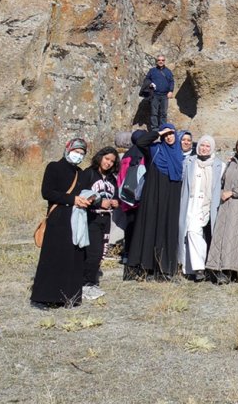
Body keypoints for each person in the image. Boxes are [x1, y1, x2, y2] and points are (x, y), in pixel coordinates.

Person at [30, 138, 91, 307]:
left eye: (81, 153)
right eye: (76, 152)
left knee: (72, 257)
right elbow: (47, 192)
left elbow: (83, 193)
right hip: (58, 218)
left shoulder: (81, 172)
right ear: (68, 149)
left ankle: (68, 297)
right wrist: (72, 199)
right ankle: (42, 298)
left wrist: (88, 199)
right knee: (52, 257)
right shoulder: (54, 167)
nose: (78, 156)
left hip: (76, 218)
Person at [127, 124, 186, 279]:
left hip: (172, 197)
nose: (169, 137)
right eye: (166, 135)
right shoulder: (155, 149)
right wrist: (158, 133)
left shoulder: (180, 154)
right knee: (151, 228)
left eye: (171, 133)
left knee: (167, 229)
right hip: (153, 196)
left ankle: (164, 269)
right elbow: (140, 143)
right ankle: (147, 267)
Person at [206, 136, 238, 283]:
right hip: (225, 204)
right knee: (222, 236)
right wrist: (224, 191)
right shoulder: (231, 162)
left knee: (235, 237)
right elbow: (223, 180)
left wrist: (233, 192)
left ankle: (232, 270)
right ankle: (219, 268)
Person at [79, 146, 120, 300]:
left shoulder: (112, 179)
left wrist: (116, 202)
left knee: (101, 251)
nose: (108, 163)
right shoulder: (88, 174)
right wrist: (97, 202)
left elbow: (115, 196)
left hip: (106, 219)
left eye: (112, 161)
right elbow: (80, 195)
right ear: (100, 157)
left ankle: (92, 281)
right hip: (90, 217)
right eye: (106, 159)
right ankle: (85, 284)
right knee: (92, 252)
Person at [179, 135, 223, 281]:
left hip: (206, 205)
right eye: (202, 145)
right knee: (188, 233)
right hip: (190, 203)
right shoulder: (189, 162)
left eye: (207, 146)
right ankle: (193, 267)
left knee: (193, 231)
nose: (204, 149)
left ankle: (200, 267)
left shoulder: (218, 165)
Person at [145, 55, 174, 129]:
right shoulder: (152, 71)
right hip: (154, 95)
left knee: (163, 113)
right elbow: (147, 80)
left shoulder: (168, 71)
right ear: (156, 61)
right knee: (154, 113)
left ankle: (163, 128)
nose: (161, 61)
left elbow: (171, 82)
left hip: (165, 95)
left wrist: (171, 91)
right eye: (159, 60)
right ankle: (154, 129)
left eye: (162, 60)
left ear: (164, 61)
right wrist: (150, 84)